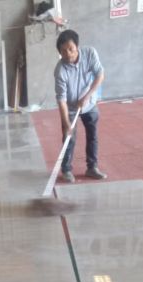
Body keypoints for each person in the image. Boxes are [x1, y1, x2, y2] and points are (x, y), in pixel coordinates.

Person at [54, 29, 107, 182]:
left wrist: (87, 96)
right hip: (70, 108)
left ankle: (92, 167)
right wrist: (67, 124)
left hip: (89, 104)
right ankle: (66, 169)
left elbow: (100, 75)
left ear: (77, 46)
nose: (68, 54)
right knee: (68, 138)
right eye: (63, 51)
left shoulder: (90, 53)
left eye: (71, 49)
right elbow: (61, 100)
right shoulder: (60, 71)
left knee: (92, 135)